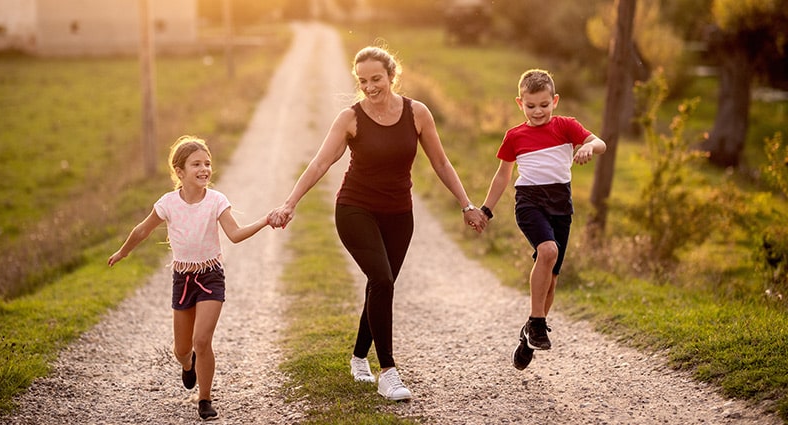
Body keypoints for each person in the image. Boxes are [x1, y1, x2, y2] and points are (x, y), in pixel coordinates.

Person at [268, 45, 487, 401]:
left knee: (379, 285)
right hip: (355, 209)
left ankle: (358, 358)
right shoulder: (350, 118)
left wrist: (466, 205)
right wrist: (290, 203)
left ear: (391, 75)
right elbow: (320, 164)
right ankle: (388, 371)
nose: (369, 87)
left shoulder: (417, 113)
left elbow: (442, 163)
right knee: (383, 280)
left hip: (400, 214)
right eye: (363, 81)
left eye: (376, 79)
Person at [108, 135, 270, 420]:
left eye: (207, 163)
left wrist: (266, 220)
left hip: (210, 277)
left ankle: (204, 399)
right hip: (182, 279)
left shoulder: (217, 201)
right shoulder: (168, 203)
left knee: (202, 340)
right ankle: (188, 364)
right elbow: (142, 230)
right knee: (182, 349)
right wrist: (123, 252)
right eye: (196, 164)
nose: (204, 168)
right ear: (179, 172)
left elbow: (235, 234)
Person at [479, 69, 606, 371]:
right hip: (529, 202)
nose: (538, 111)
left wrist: (588, 145)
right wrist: (486, 209)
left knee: (552, 280)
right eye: (531, 105)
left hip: (561, 205)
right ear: (519, 103)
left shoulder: (566, 127)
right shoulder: (514, 136)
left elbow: (600, 142)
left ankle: (529, 335)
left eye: (544, 105)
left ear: (555, 101)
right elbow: (502, 176)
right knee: (548, 251)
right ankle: (537, 322)